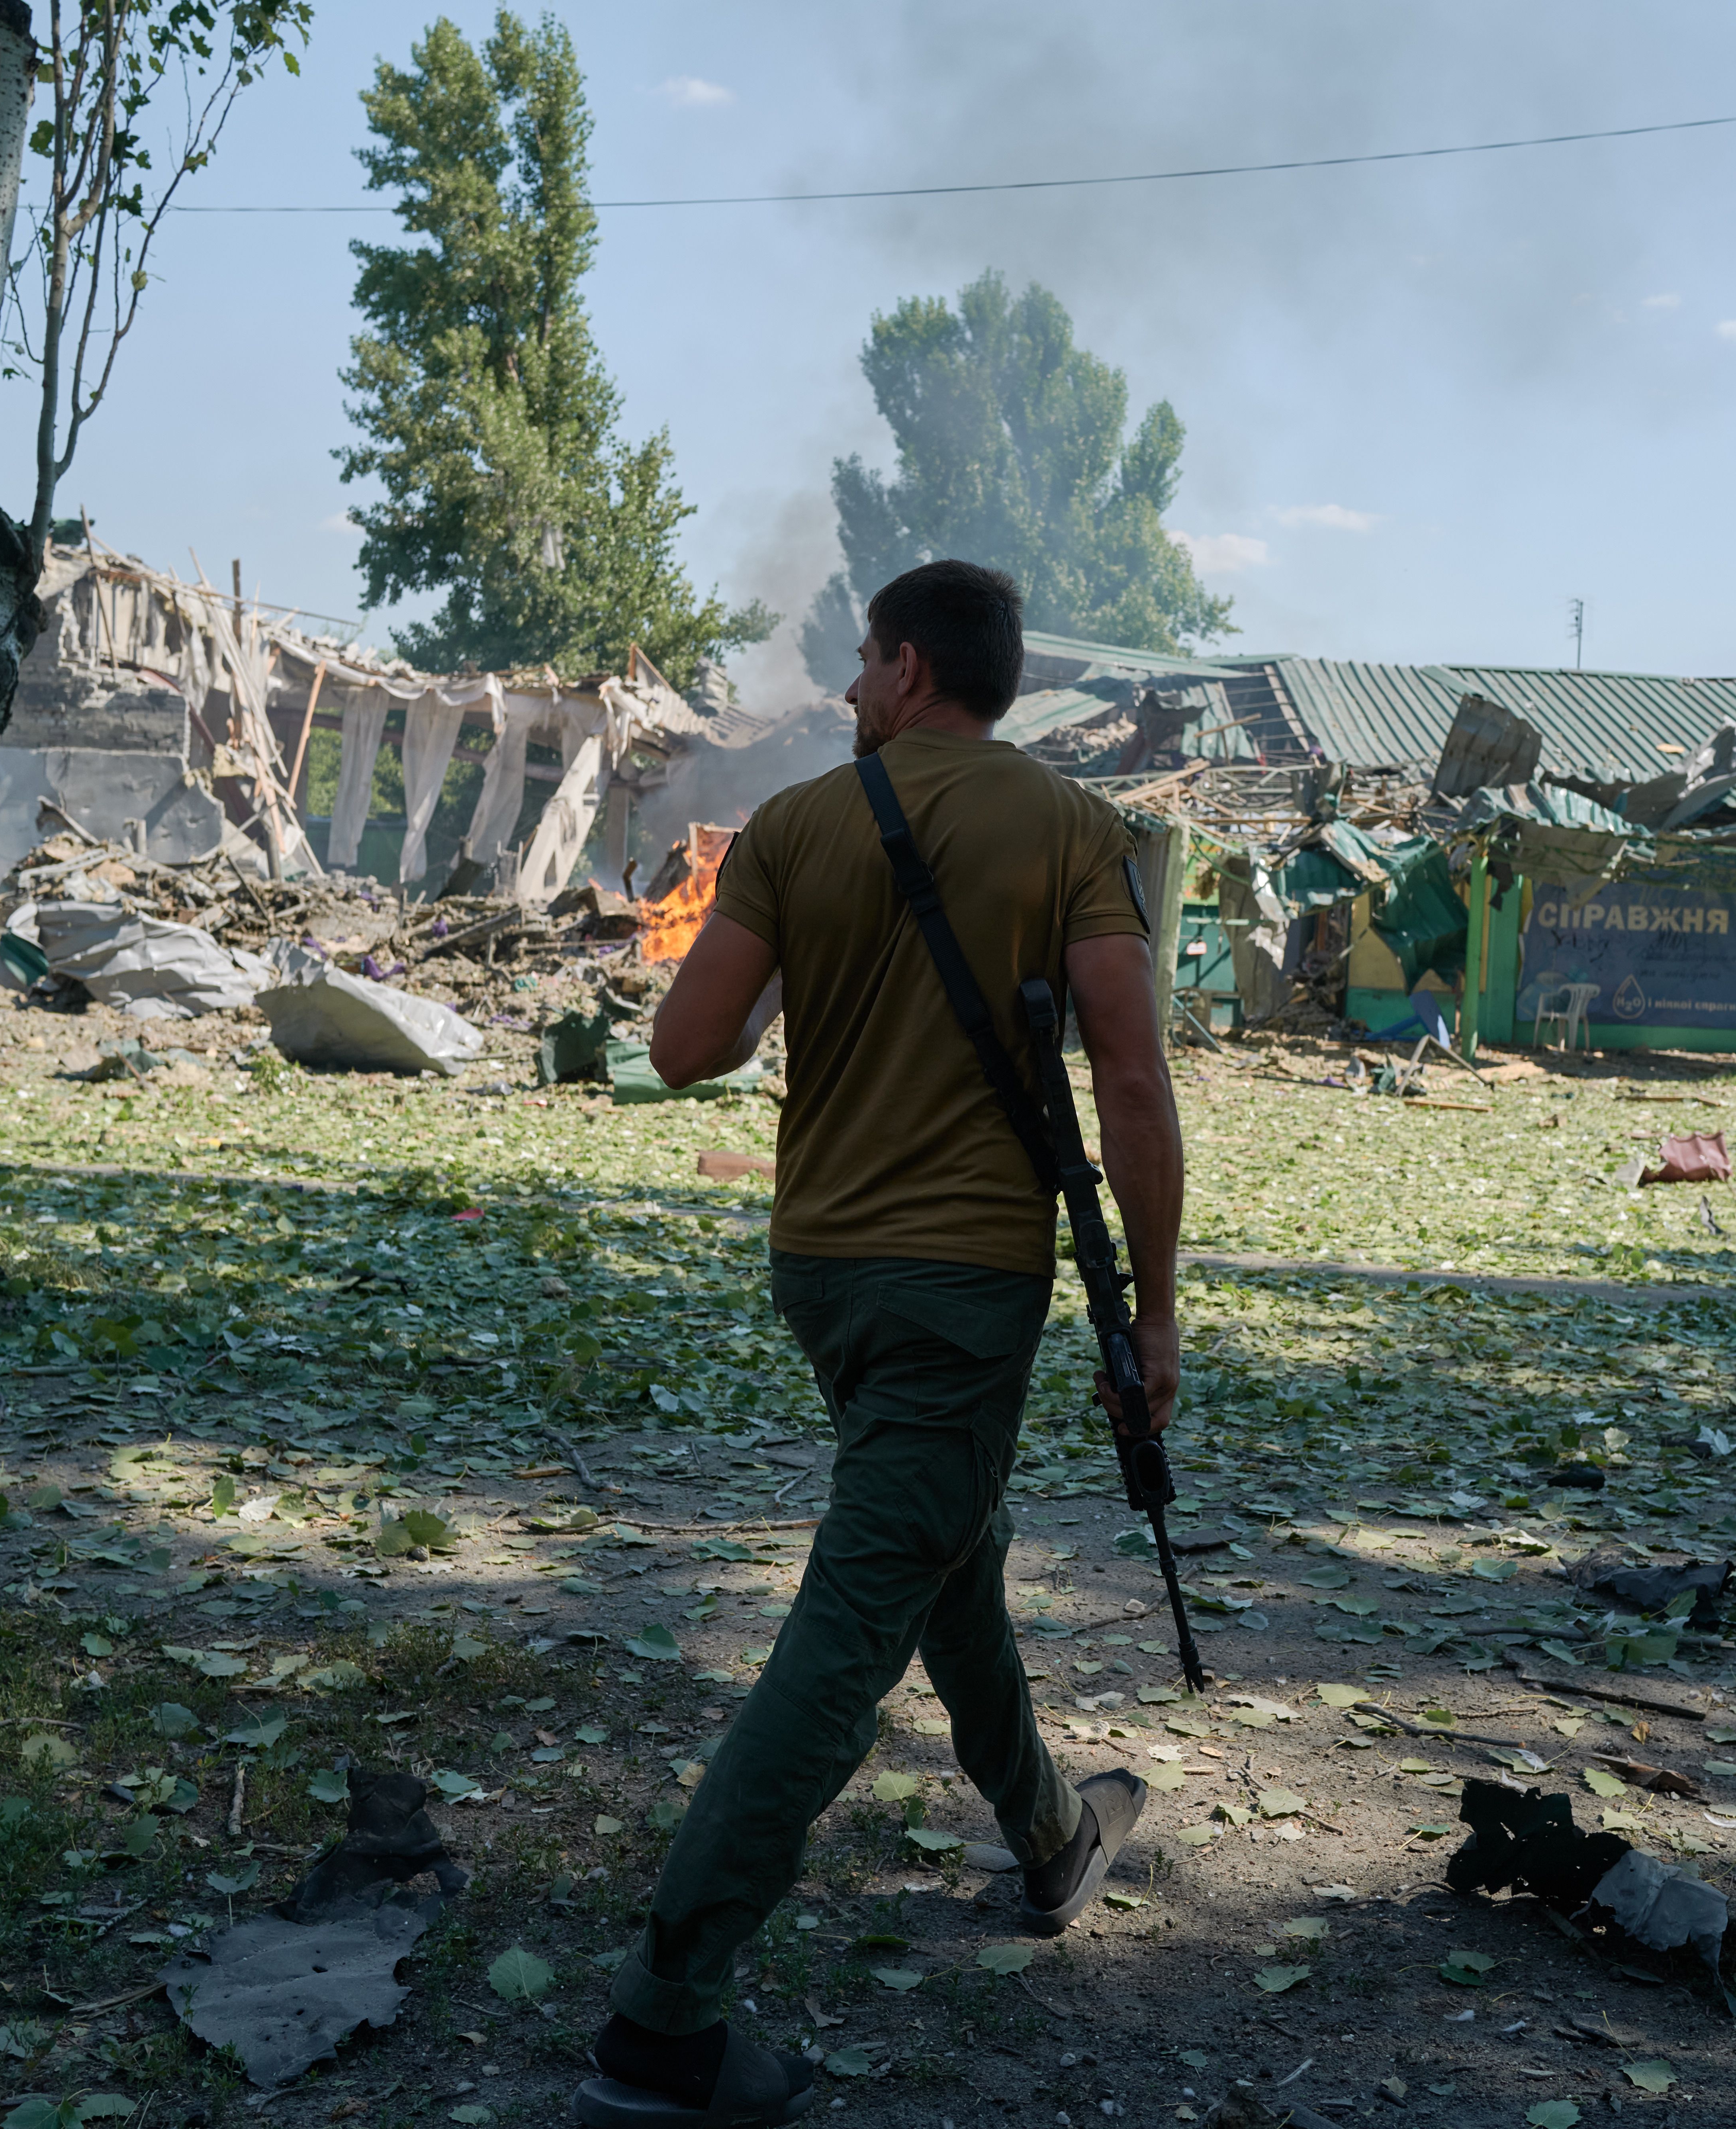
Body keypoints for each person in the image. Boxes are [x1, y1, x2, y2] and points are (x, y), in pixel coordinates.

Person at [575, 560, 1187, 2129]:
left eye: (860, 661)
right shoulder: (1073, 829)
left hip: (824, 1278)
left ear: (912, 668)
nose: (848, 688)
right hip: (963, 1287)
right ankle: (663, 2019)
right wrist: (1154, 1309)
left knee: (942, 1542)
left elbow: (685, 1048)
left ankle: (1050, 1834)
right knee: (851, 1631)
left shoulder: (794, 827)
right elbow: (1129, 1080)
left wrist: (813, 958)